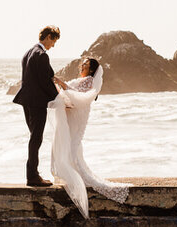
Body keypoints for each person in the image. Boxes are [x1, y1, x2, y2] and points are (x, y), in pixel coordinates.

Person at [49, 57, 131, 218]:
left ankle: (78, 177)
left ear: (91, 70)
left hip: (78, 115)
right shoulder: (80, 79)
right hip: (71, 113)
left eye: (86, 64)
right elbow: (69, 94)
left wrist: (60, 82)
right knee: (70, 143)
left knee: (73, 143)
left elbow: (79, 96)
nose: (83, 65)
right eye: (83, 63)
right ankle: (71, 174)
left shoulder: (87, 80)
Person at [13, 25, 65, 186]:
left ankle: (32, 173)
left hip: (26, 101)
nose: (53, 45)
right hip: (36, 102)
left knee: (34, 138)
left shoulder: (28, 52)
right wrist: (60, 100)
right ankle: (32, 176)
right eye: (54, 41)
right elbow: (44, 82)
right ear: (48, 37)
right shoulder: (42, 55)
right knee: (36, 138)